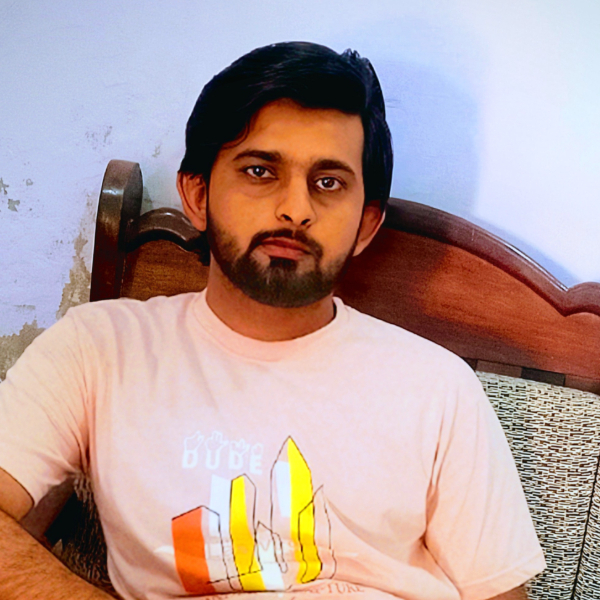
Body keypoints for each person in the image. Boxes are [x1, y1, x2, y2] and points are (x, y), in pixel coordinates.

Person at [0, 42, 544, 600]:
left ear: (365, 226)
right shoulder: (98, 349)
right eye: (260, 171)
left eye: (328, 182)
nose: (296, 209)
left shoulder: (438, 387)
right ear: (197, 194)